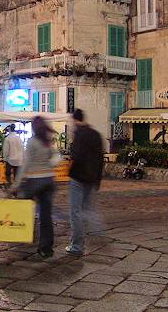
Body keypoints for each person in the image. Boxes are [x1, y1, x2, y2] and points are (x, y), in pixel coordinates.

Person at [11, 116, 60, 258]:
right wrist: (50, 165)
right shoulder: (47, 141)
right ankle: (46, 248)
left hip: (35, 180)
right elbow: (57, 157)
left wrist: (16, 184)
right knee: (46, 215)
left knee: (22, 201)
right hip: (49, 181)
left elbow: (25, 164)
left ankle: (20, 231)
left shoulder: (32, 142)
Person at [66, 109, 104, 257]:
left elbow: (75, 156)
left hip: (78, 177)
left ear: (75, 120)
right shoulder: (96, 134)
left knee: (75, 212)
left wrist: (69, 170)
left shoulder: (78, 134)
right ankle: (97, 232)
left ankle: (77, 245)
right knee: (87, 209)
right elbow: (100, 158)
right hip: (92, 177)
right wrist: (98, 179)